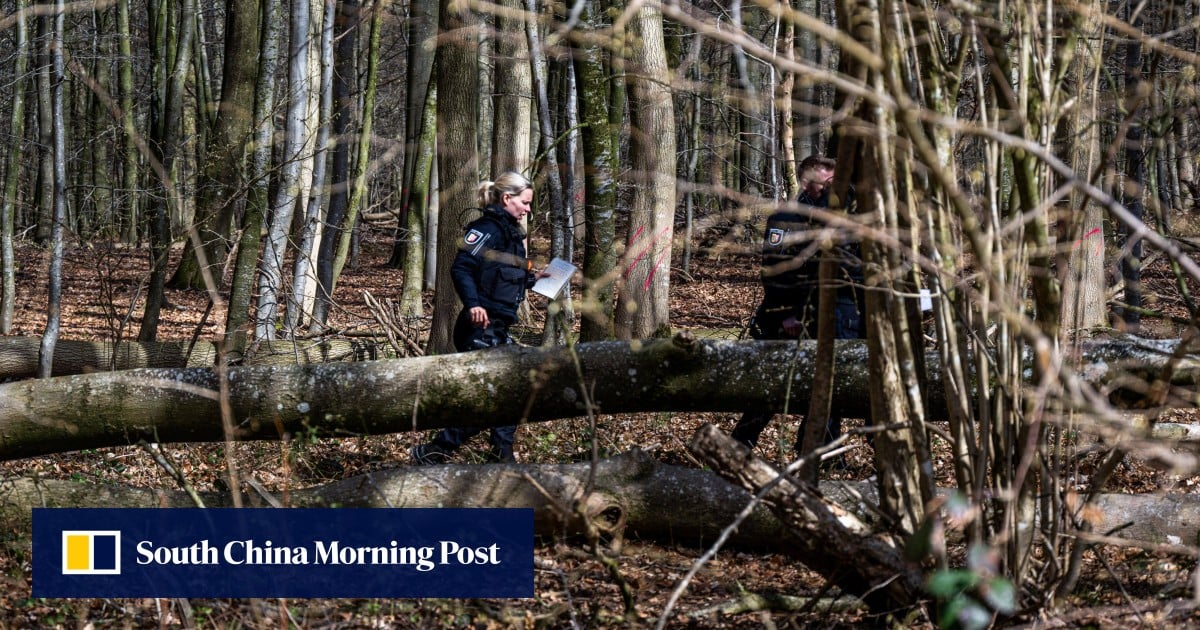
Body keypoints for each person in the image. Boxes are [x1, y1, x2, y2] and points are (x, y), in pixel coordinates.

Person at [731, 155, 865, 453]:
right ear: (808, 181)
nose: (834, 183)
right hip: (793, 315)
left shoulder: (847, 215)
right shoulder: (786, 217)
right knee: (778, 383)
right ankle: (740, 443)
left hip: (839, 313)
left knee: (833, 382)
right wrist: (786, 314)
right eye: (826, 178)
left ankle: (819, 450)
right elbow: (775, 270)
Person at [410, 172, 544, 465]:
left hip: (498, 327)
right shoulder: (486, 229)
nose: (528, 209)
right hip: (478, 328)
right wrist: (473, 304)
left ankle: (500, 456)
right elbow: (461, 267)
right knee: (495, 398)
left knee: (511, 392)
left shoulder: (511, 236)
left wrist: (535, 278)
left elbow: (507, 276)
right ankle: (436, 451)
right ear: (507, 199)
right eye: (524, 202)